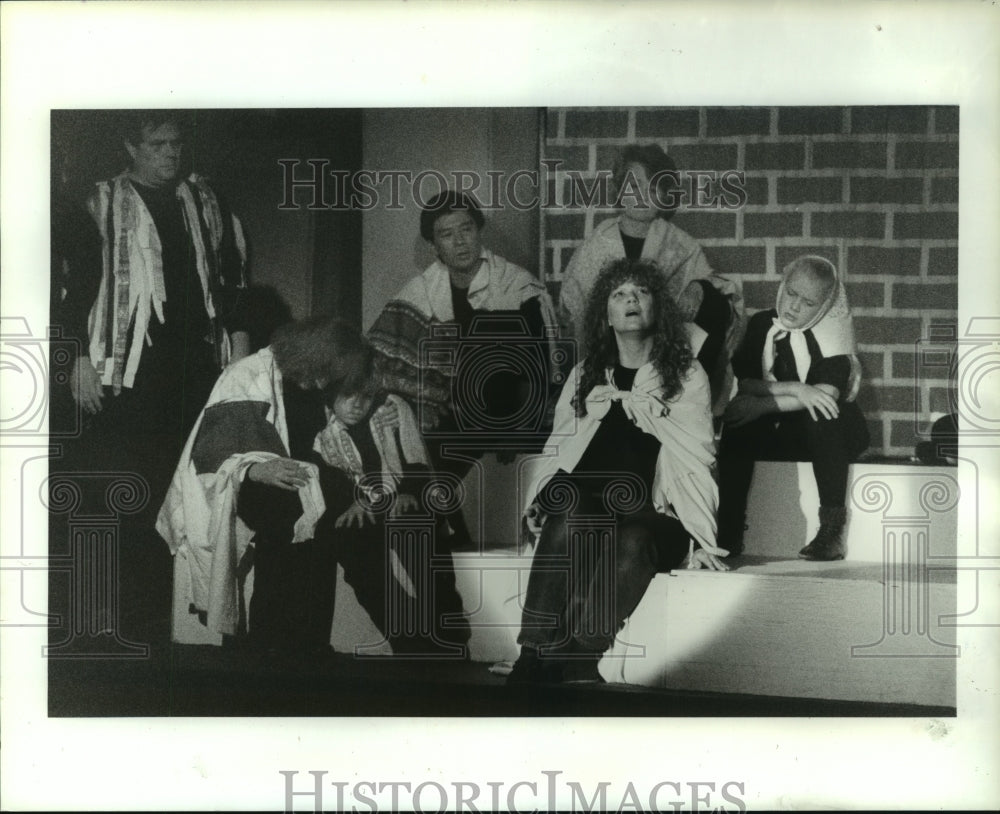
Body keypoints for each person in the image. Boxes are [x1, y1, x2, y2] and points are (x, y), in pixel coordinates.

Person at [156, 317, 469, 656]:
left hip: (309, 483)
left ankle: (411, 639)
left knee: (357, 531)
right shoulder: (247, 375)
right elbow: (212, 454)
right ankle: (272, 645)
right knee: (292, 516)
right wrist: (257, 469)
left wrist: (358, 495)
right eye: (325, 373)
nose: (324, 382)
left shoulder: (317, 383)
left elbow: (335, 441)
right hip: (247, 488)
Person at [56, 110, 249, 646]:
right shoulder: (100, 203)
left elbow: (229, 277)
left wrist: (236, 342)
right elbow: (73, 290)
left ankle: (157, 630)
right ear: (130, 146)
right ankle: (106, 626)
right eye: (158, 143)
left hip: (190, 375)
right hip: (124, 377)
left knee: (179, 498)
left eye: (176, 144)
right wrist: (77, 360)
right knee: (122, 496)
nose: (171, 153)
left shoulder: (204, 202)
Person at [509, 258, 729, 684]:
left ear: (657, 309)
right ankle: (531, 654)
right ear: (606, 315)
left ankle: (580, 657)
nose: (630, 299)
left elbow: (696, 455)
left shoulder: (685, 376)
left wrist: (701, 533)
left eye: (641, 292)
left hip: (654, 509)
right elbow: (561, 446)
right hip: (588, 500)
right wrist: (540, 495)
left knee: (634, 539)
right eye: (619, 294)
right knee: (571, 518)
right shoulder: (586, 375)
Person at [368, 190, 560, 541]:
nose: (460, 242)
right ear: (433, 246)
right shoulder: (421, 290)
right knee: (420, 460)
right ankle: (453, 539)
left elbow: (539, 369)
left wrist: (515, 426)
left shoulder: (516, 287)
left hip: (512, 410)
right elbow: (383, 357)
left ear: (479, 231)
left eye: (467, 229)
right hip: (451, 414)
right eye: (447, 234)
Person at [558, 143, 744, 411]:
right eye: (634, 186)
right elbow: (576, 305)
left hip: (665, 351)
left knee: (716, 302)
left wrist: (700, 286)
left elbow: (719, 298)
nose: (643, 196)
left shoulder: (681, 244)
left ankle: (680, 401)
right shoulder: (597, 244)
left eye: (653, 187)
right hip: (611, 349)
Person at [717, 255, 869, 561]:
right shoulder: (762, 323)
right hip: (785, 427)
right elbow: (747, 382)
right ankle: (728, 529)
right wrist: (796, 389)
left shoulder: (832, 335)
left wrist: (765, 405)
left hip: (828, 436)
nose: (794, 307)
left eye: (808, 303)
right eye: (791, 294)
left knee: (821, 413)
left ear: (825, 305)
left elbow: (824, 395)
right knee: (738, 417)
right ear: (782, 285)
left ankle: (831, 531)